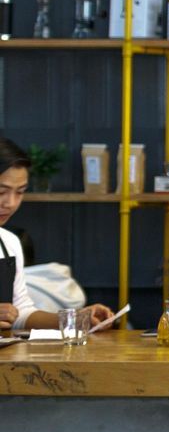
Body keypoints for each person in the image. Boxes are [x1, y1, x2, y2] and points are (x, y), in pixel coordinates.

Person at [0, 138, 115, 334]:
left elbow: (22, 312)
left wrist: (75, 318)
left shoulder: (9, 243)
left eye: (20, 192)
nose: (10, 203)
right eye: (2, 191)